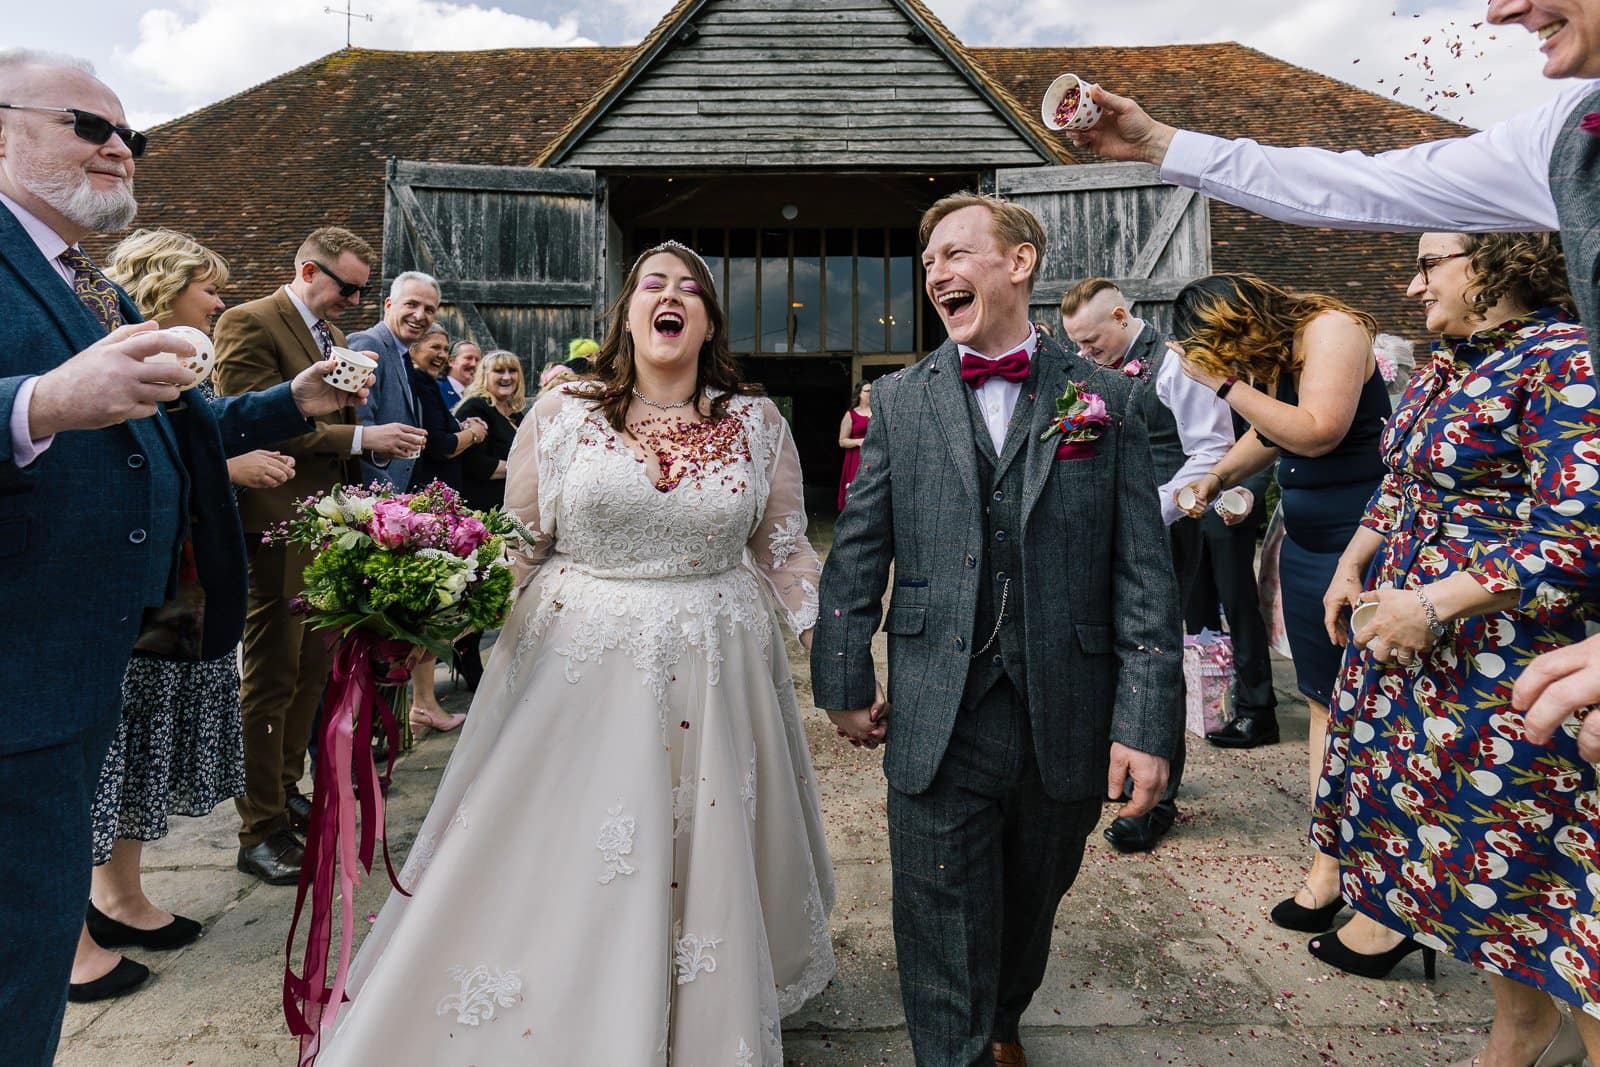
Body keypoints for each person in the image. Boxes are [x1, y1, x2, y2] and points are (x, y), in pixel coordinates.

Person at [311, 240, 834, 1064]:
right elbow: (518, 544)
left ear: (707, 322)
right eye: (652, 284)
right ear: (626, 314)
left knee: (703, 846)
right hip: (579, 662)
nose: (671, 295)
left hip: (716, 663)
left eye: (690, 288)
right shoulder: (562, 416)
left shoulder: (757, 424)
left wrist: (829, 644)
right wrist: (426, 609)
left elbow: (786, 551)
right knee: (576, 843)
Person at [1065, 0, 1600, 778]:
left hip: (1493, 606)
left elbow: (1321, 429)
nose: (1499, 9)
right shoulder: (1563, 135)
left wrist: (1227, 388)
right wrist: (1159, 143)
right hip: (1388, 571)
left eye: (1429, 268)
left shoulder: (1539, 354)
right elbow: (1361, 186)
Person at [0, 49, 364, 1064]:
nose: (121, 146)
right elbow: (58, 405)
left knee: (25, 950)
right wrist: (37, 403)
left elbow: (179, 424)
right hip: (17, 662)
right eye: (89, 124)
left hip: (78, 665)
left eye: (133, 134)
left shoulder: (89, 282)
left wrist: (292, 404)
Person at [811, 192, 1182, 1067]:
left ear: (1018, 263)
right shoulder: (899, 402)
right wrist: (843, 677)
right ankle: (958, 1047)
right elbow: (858, 549)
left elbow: (1144, 578)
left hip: (1068, 702)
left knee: (1034, 894)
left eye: (957, 252)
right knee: (937, 910)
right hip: (940, 704)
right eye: (929, 259)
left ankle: (1004, 1015)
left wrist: (1146, 720)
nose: (937, 271)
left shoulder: (1107, 402)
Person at [1315, 232, 1599, 1065]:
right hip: (1430, 668)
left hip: (1515, 671)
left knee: (1561, 890)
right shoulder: (1456, 360)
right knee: (1492, 880)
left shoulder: (1565, 357)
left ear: (1498, 258)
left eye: (1429, 263)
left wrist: (1434, 604)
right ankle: (1515, 1027)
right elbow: (1403, 479)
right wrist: (1352, 561)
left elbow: (1580, 533)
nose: (1411, 285)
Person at [61, 229, 296, 1003]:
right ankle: (71, 936)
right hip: (113, 580)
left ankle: (120, 895)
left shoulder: (178, 363)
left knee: (140, 744)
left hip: (180, 583)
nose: (221, 299)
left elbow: (200, 430)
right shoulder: (97, 343)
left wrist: (297, 401)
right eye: (210, 286)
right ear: (165, 284)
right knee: (95, 757)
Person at [1168, 277, 1390, 941]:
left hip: (1366, 545)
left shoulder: (1332, 327)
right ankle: (1327, 868)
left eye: (1221, 348)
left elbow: (1318, 431)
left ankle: (1386, 884)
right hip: (1308, 543)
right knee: (1323, 702)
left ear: (1236, 320)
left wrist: (1222, 385)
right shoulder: (1283, 354)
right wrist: (1216, 476)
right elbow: (1274, 430)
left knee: (1379, 705)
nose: (1228, 365)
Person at [213, 227, 422, 887]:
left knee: (312, 669)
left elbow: (316, 426)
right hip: (276, 522)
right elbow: (249, 420)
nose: (356, 301)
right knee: (272, 674)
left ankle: (284, 789)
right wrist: (361, 433)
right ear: (309, 269)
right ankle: (259, 828)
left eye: (363, 289)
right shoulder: (251, 322)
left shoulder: (330, 338)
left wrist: (360, 440)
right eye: (348, 287)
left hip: (324, 521)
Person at [1059, 277, 1235, 852]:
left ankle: (1159, 798)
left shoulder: (1177, 366)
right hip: (1100, 532)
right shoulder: (1092, 368)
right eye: (1077, 345)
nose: (1086, 354)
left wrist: (1146, 510)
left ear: (1119, 314)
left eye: (1091, 341)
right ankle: (1118, 762)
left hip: (1165, 528)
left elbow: (1212, 451)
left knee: (1154, 650)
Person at [400, 322, 486, 732]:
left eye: (443, 348)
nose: (440, 355)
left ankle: (422, 702)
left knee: (436, 606)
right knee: (431, 606)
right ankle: (421, 703)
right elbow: (443, 443)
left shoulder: (422, 381)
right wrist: (471, 433)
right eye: (434, 347)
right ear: (414, 349)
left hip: (437, 502)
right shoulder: (420, 382)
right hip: (427, 503)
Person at [449, 349, 526, 690]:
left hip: (505, 511)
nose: (506, 377)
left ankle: (474, 655)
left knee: (495, 589)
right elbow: (475, 464)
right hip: (478, 514)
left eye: (512, 370)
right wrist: (526, 470)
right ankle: (464, 652)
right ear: (485, 376)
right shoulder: (475, 409)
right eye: (498, 372)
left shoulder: (515, 414)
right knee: (478, 589)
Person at [350, 270, 445, 490]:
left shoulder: (402, 355)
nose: (420, 316)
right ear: (389, 304)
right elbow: (355, 422)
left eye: (429, 309)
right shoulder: (369, 344)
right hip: (367, 495)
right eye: (411, 304)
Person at [835, 379, 871, 511]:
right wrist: (859, 441)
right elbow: (842, 441)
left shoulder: (879, 412)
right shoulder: (851, 415)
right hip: (856, 458)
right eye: (868, 391)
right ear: (859, 394)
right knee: (855, 493)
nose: (871, 393)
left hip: (874, 457)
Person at [437, 338, 478, 409]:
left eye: (477, 360)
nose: (474, 364)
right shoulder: (437, 389)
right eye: (468, 358)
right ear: (451, 361)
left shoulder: (479, 395)